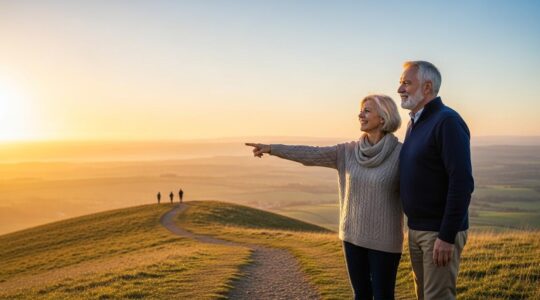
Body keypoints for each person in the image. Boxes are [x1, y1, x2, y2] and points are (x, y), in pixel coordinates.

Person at [246, 94, 404, 299]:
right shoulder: (347, 151)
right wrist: (273, 149)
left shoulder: (402, 153)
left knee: (383, 296)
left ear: (383, 118)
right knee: (361, 295)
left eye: (367, 110)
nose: (360, 114)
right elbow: (310, 154)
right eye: (361, 110)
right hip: (352, 237)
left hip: (385, 241)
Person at [397, 61, 474, 299]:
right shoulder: (415, 123)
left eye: (406, 83)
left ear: (427, 87)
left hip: (438, 233)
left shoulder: (446, 121)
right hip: (417, 229)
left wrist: (446, 235)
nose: (399, 89)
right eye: (400, 83)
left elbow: (461, 182)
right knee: (423, 295)